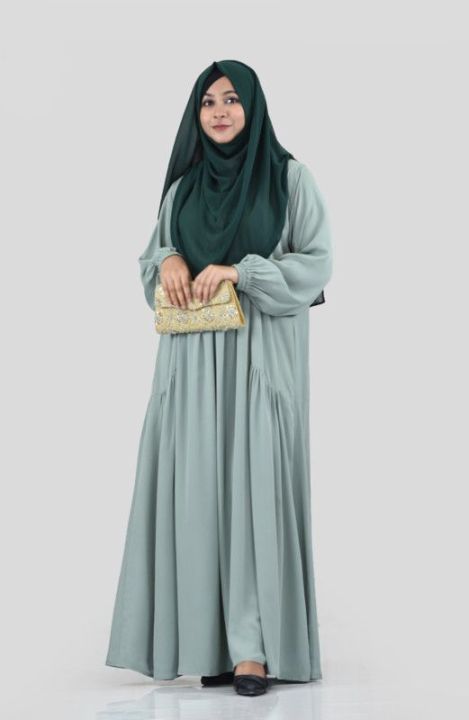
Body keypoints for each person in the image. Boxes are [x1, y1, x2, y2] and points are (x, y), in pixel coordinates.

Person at [105, 59, 333, 697]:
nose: (220, 112)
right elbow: (152, 263)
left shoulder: (289, 179)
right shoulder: (182, 191)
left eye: (232, 99)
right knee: (198, 493)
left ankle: (253, 650)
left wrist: (241, 271)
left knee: (255, 491)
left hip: (261, 361)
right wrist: (169, 258)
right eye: (208, 102)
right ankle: (209, 644)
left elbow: (316, 264)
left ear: (252, 107)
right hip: (190, 365)